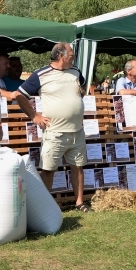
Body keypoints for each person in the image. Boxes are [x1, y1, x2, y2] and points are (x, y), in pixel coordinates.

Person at [16, 42, 91, 213]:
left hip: (77, 131)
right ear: (61, 55)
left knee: (78, 167)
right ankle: (43, 207)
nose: (73, 55)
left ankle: (79, 203)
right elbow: (19, 95)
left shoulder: (76, 72)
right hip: (54, 132)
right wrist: (34, 116)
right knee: (48, 170)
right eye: (71, 53)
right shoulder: (41, 74)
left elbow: (83, 88)